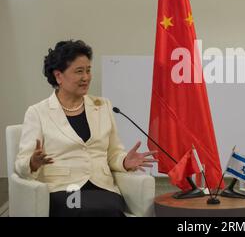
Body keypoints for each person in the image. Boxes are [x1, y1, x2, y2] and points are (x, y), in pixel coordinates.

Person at [15, 40, 156, 217]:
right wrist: (32, 163)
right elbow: (21, 164)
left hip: (102, 187)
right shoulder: (38, 112)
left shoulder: (103, 106)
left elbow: (113, 154)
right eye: (79, 71)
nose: (86, 77)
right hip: (63, 188)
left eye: (88, 70)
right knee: (81, 210)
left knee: (109, 210)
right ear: (58, 76)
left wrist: (124, 161)